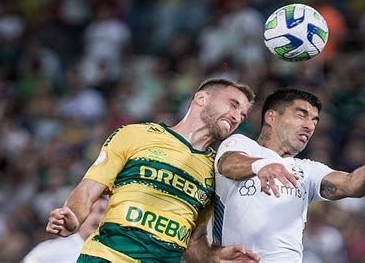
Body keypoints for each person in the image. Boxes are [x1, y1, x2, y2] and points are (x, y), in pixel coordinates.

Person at [46, 78, 259, 262]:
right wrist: (73, 215)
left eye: (242, 115)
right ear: (201, 98)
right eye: (233, 105)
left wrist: (214, 257)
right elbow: (87, 190)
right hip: (108, 256)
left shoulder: (216, 171)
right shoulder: (137, 135)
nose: (237, 117)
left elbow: (193, 242)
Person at [213, 88, 365, 262]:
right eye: (301, 115)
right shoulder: (243, 145)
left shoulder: (307, 169)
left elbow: (351, 185)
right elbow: (228, 164)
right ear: (271, 117)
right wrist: (261, 165)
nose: (309, 126)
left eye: (314, 120)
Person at [23, 196, 108, 263]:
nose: (95, 218)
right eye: (89, 211)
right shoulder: (56, 249)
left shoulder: (114, 250)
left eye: (101, 211)